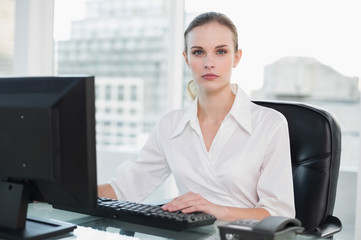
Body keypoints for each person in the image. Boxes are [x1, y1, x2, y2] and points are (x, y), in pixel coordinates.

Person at [98, 12, 295, 221]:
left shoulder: (270, 124)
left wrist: (217, 210)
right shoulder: (170, 125)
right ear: (186, 59)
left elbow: (279, 215)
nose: (209, 63)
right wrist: (67, 189)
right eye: (198, 52)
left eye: (220, 52)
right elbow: (125, 189)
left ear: (236, 58)